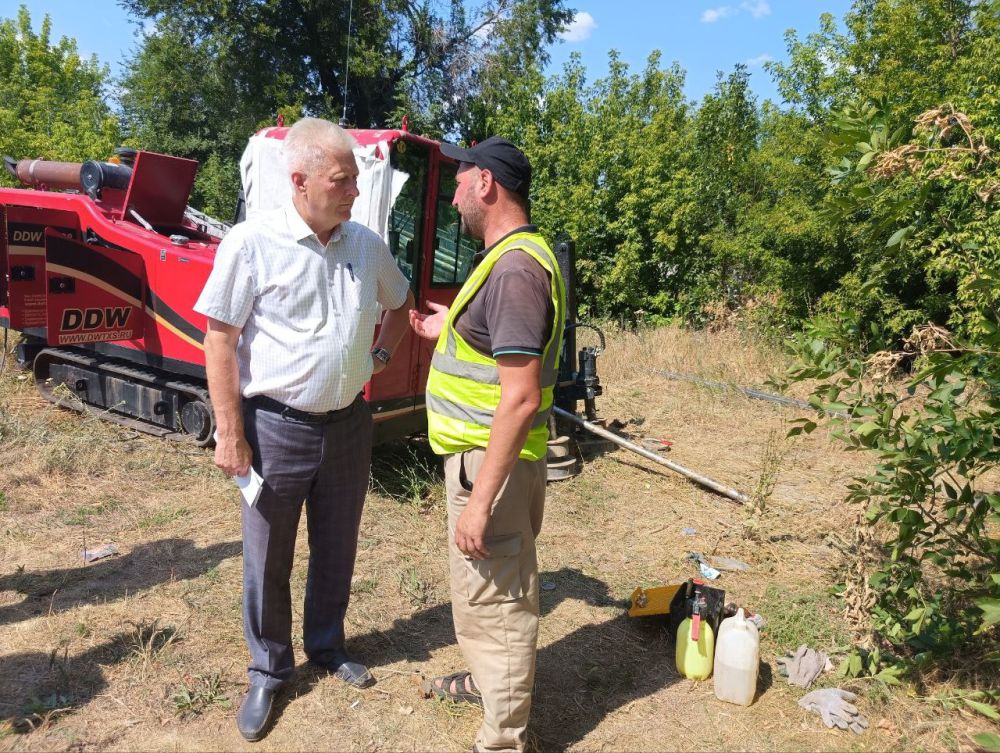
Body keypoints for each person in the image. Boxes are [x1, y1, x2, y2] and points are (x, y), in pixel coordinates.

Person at [194, 117, 414, 742]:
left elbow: (400, 303)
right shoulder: (252, 242)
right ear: (299, 180)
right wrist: (230, 433)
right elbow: (219, 339)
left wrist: (378, 357)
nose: (354, 192)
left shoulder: (365, 245)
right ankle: (269, 669)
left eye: (355, 180)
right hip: (275, 429)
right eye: (342, 181)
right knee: (268, 556)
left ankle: (326, 644)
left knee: (337, 544)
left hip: (348, 426)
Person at [409, 136, 566, 753]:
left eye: (458, 183)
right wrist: (448, 326)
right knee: (487, 596)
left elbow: (519, 397)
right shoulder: (509, 258)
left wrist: (479, 502)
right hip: (489, 460)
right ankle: (485, 683)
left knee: (497, 605)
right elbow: (498, 346)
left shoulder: (516, 270)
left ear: (485, 184)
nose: (453, 200)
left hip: (488, 466)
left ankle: (502, 740)